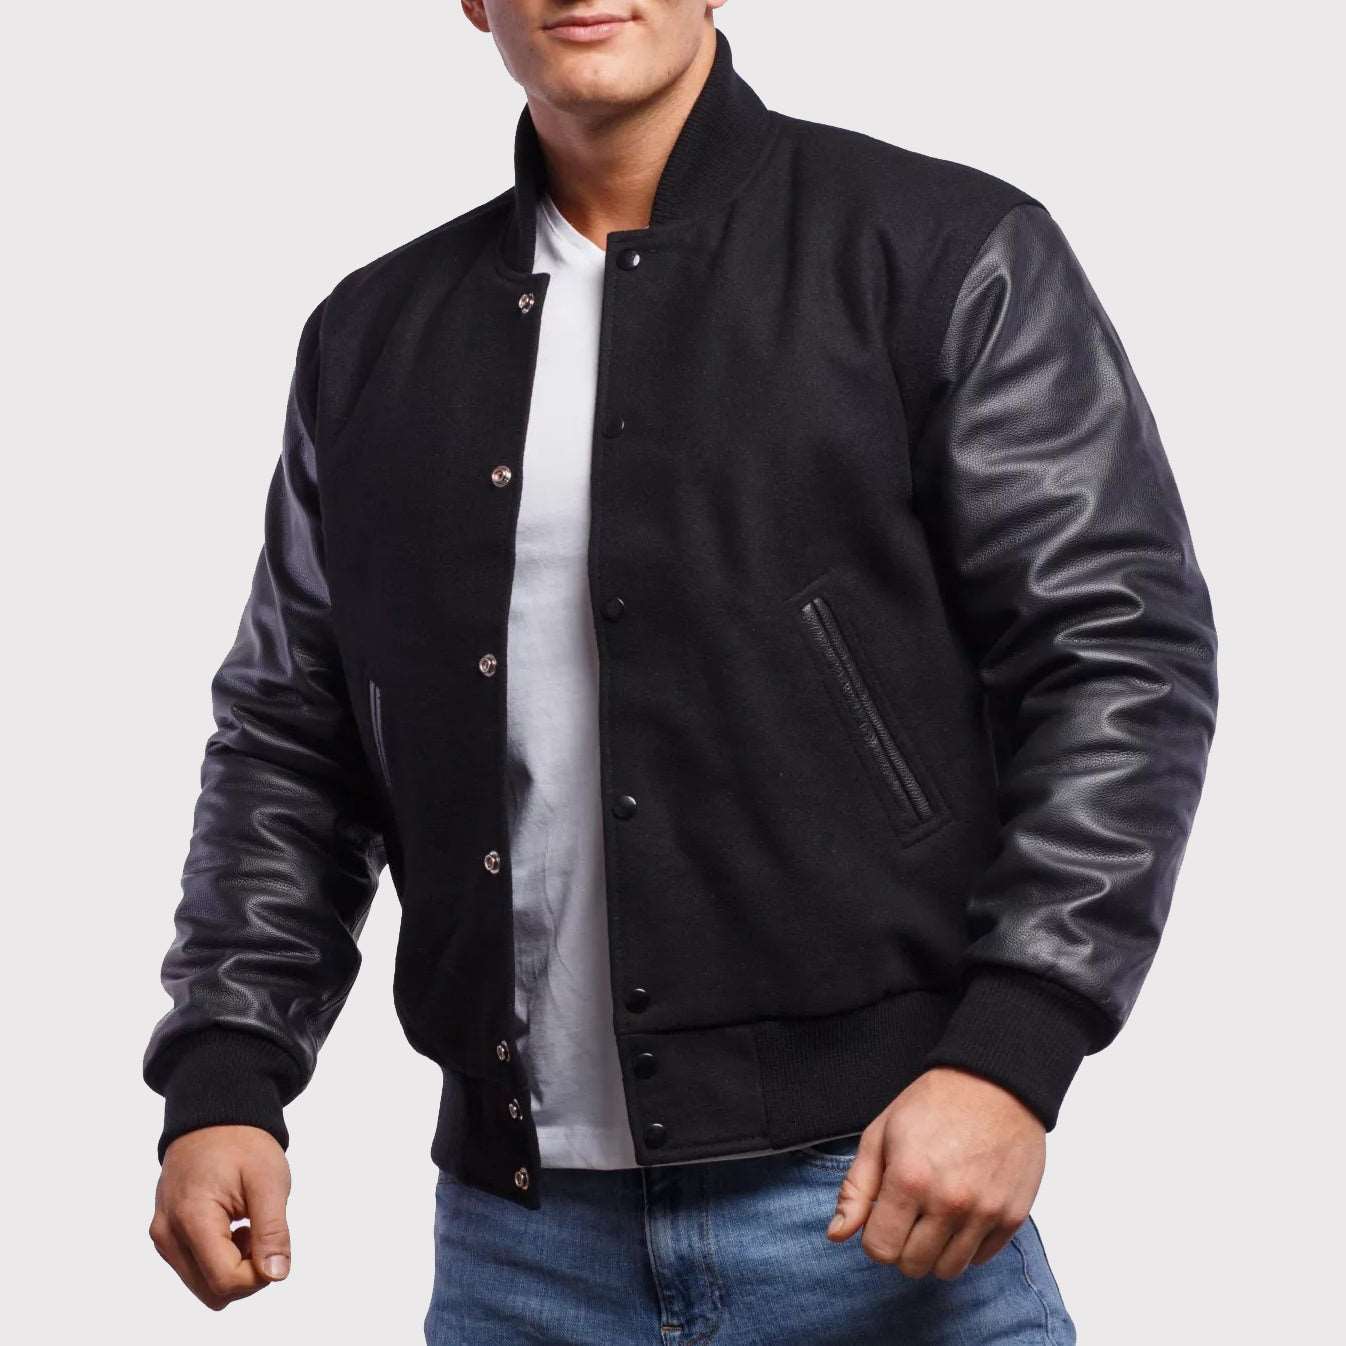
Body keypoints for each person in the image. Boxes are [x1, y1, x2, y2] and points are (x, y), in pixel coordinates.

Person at [144, 4, 1219, 1341]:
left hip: (879, 1198)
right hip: (516, 1250)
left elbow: (1117, 654)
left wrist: (1015, 1047)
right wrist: (226, 1071)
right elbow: (293, 736)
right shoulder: (372, 338)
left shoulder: (938, 250)